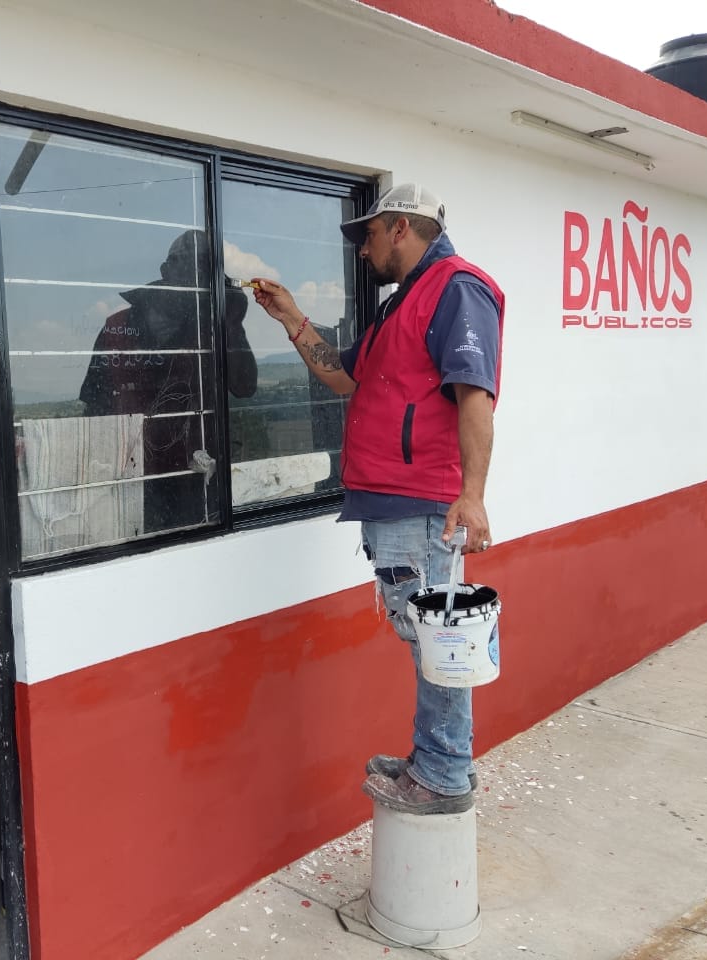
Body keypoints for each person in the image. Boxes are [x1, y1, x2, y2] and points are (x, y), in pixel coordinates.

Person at [252, 183, 504, 816]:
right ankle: (432, 759)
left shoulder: (456, 289)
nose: (362, 252)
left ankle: (443, 774)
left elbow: (476, 394)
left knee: (438, 639)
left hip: (422, 503)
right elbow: (343, 375)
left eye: (367, 236)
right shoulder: (404, 304)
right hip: (395, 502)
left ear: (400, 228)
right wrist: (289, 317)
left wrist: (472, 495)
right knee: (425, 635)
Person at [80, 228, 257, 531]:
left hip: (199, 474)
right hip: (131, 473)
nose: (195, 271)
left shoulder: (213, 326)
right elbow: (94, 408)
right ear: (166, 270)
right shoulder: (118, 327)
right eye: (186, 261)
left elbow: (245, 386)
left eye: (205, 264)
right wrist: (98, 474)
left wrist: (232, 320)